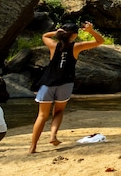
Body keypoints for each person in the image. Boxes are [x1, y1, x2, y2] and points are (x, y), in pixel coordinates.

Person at [28, 21, 105, 154]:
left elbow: (45, 36)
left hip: (48, 84)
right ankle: (53, 136)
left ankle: (33, 147)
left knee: (42, 115)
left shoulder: (53, 45)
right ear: (74, 35)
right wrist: (91, 31)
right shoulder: (76, 47)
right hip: (65, 84)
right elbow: (100, 41)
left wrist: (56, 32)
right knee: (58, 111)